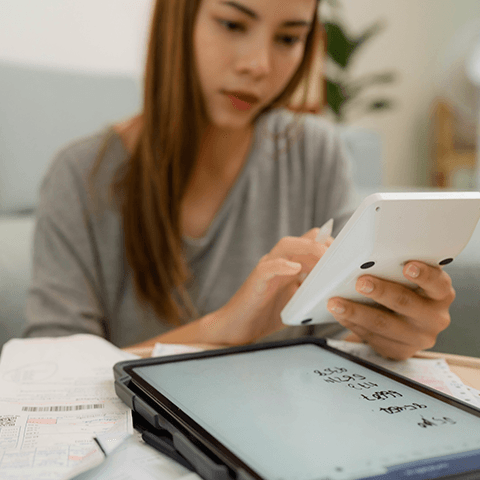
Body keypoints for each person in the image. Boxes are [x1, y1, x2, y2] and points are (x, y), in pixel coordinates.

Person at [23, 0, 455, 360]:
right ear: (178, 17)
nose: (258, 65)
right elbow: (50, 378)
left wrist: (387, 331)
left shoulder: (316, 152)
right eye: (232, 24)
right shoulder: (81, 175)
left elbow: (342, 333)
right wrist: (222, 329)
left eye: (288, 38)